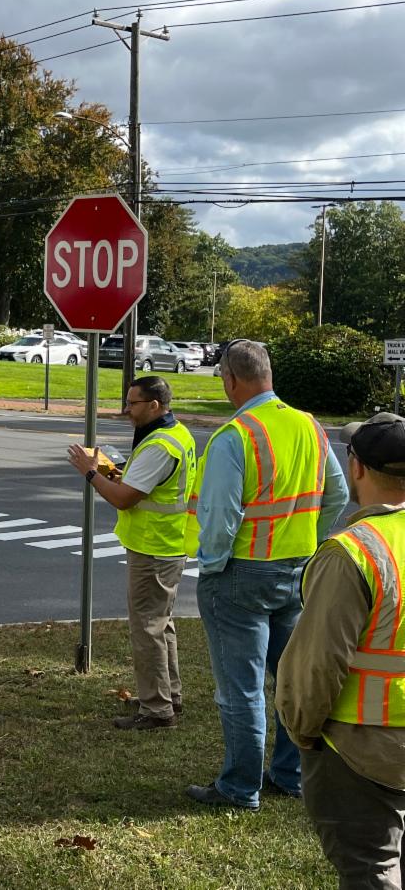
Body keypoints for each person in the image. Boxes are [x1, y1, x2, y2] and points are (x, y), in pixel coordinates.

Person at [185, 339, 349, 809]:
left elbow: (219, 516)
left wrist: (213, 565)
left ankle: (239, 787)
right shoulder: (309, 426)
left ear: (231, 380)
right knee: (289, 680)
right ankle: (288, 772)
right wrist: (310, 539)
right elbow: (336, 494)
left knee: (241, 687)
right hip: (296, 572)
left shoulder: (234, 435)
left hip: (239, 575)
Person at [276, 412, 405, 888]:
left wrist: (303, 734)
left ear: (357, 469)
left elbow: (316, 665)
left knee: (369, 870)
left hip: (362, 747)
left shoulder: (354, 551)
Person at [67, 376, 196, 730]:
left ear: (154, 405)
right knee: (161, 623)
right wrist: (116, 472)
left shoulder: (159, 446)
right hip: (167, 544)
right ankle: (170, 694)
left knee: (147, 628)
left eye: (133, 404)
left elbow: (124, 498)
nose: (127, 411)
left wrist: (91, 474)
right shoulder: (176, 434)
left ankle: (156, 709)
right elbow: (144, 484)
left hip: (153, 548)